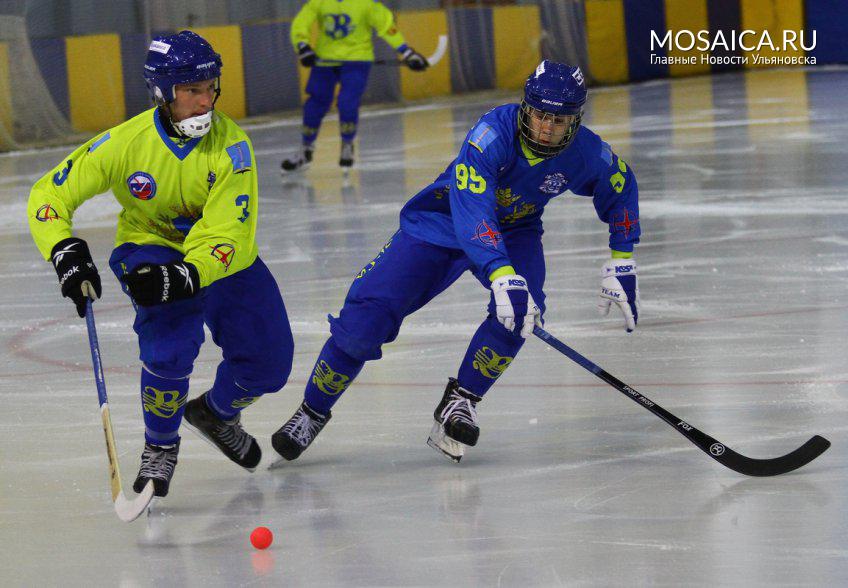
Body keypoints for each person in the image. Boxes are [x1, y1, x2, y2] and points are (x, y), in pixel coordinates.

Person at [271, 60, 641, 463]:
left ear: (576, 120)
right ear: (525, 108)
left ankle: (462, 399)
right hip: (444, 220)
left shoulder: (585, 151)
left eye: (559, 119)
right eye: (539, 115)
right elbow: (473, 211)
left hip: (515, 230)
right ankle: (311, 410)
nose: (546, 128)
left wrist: (622, 260)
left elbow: (622, 185)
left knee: (520, 313)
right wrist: (501, 274)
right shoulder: (490, 135)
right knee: (364, 323)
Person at [26, 31, 294, 497]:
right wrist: (63, 250)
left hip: (219, 260)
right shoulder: (126, 142)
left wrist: (191, 273)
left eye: (210, 87)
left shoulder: (233, 148)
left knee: (269, 364)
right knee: (171, 341)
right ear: (163, 93)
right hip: (150, 248)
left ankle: (215, 413)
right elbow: (50, 193)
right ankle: (161, 444)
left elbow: (230, 232)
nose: (205, 101)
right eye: (191, 91)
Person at [281, 0, 429, 172]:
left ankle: (347, 144)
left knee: (347, 102)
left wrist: (406, 52)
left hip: (357, 61)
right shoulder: (320, 1)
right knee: (315, 104)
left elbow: (386, 24)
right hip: (325, 60)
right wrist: (302, 46)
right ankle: (306, 149)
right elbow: (301, 23)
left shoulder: (365, 3)